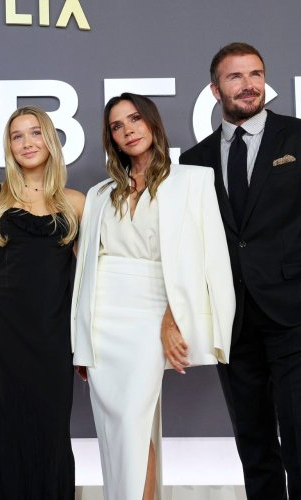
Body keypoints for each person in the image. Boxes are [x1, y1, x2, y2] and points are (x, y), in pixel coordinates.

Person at [179, 43, 301, 500]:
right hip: (232, 322)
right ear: (215, 89)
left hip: (295, 314)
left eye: (256, 74)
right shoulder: (194, 160)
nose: (249, 85)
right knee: (253, 443)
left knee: (300, 439)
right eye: (235, 77)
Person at [71, 93, 235, 500]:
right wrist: (81, 341)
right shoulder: (99, 194)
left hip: (152, 314)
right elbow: (86, 269)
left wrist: (173, 316)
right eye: (117, 126)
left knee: (133, 420)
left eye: (135, 119)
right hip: (103, 318)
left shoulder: (193, 181)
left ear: (152, 123)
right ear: (111, 138)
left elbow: (205, 257)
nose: (128, 130)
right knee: (117, 431)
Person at [0, 106, 85, 499]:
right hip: (0, 332)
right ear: (9, 146)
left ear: (50, 140)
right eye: (17, 136)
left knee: (50, 433)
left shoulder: (76, 202)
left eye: (35, 133)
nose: (27, 143)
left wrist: (87, 340)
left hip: (53, 335)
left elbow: (92, 278)